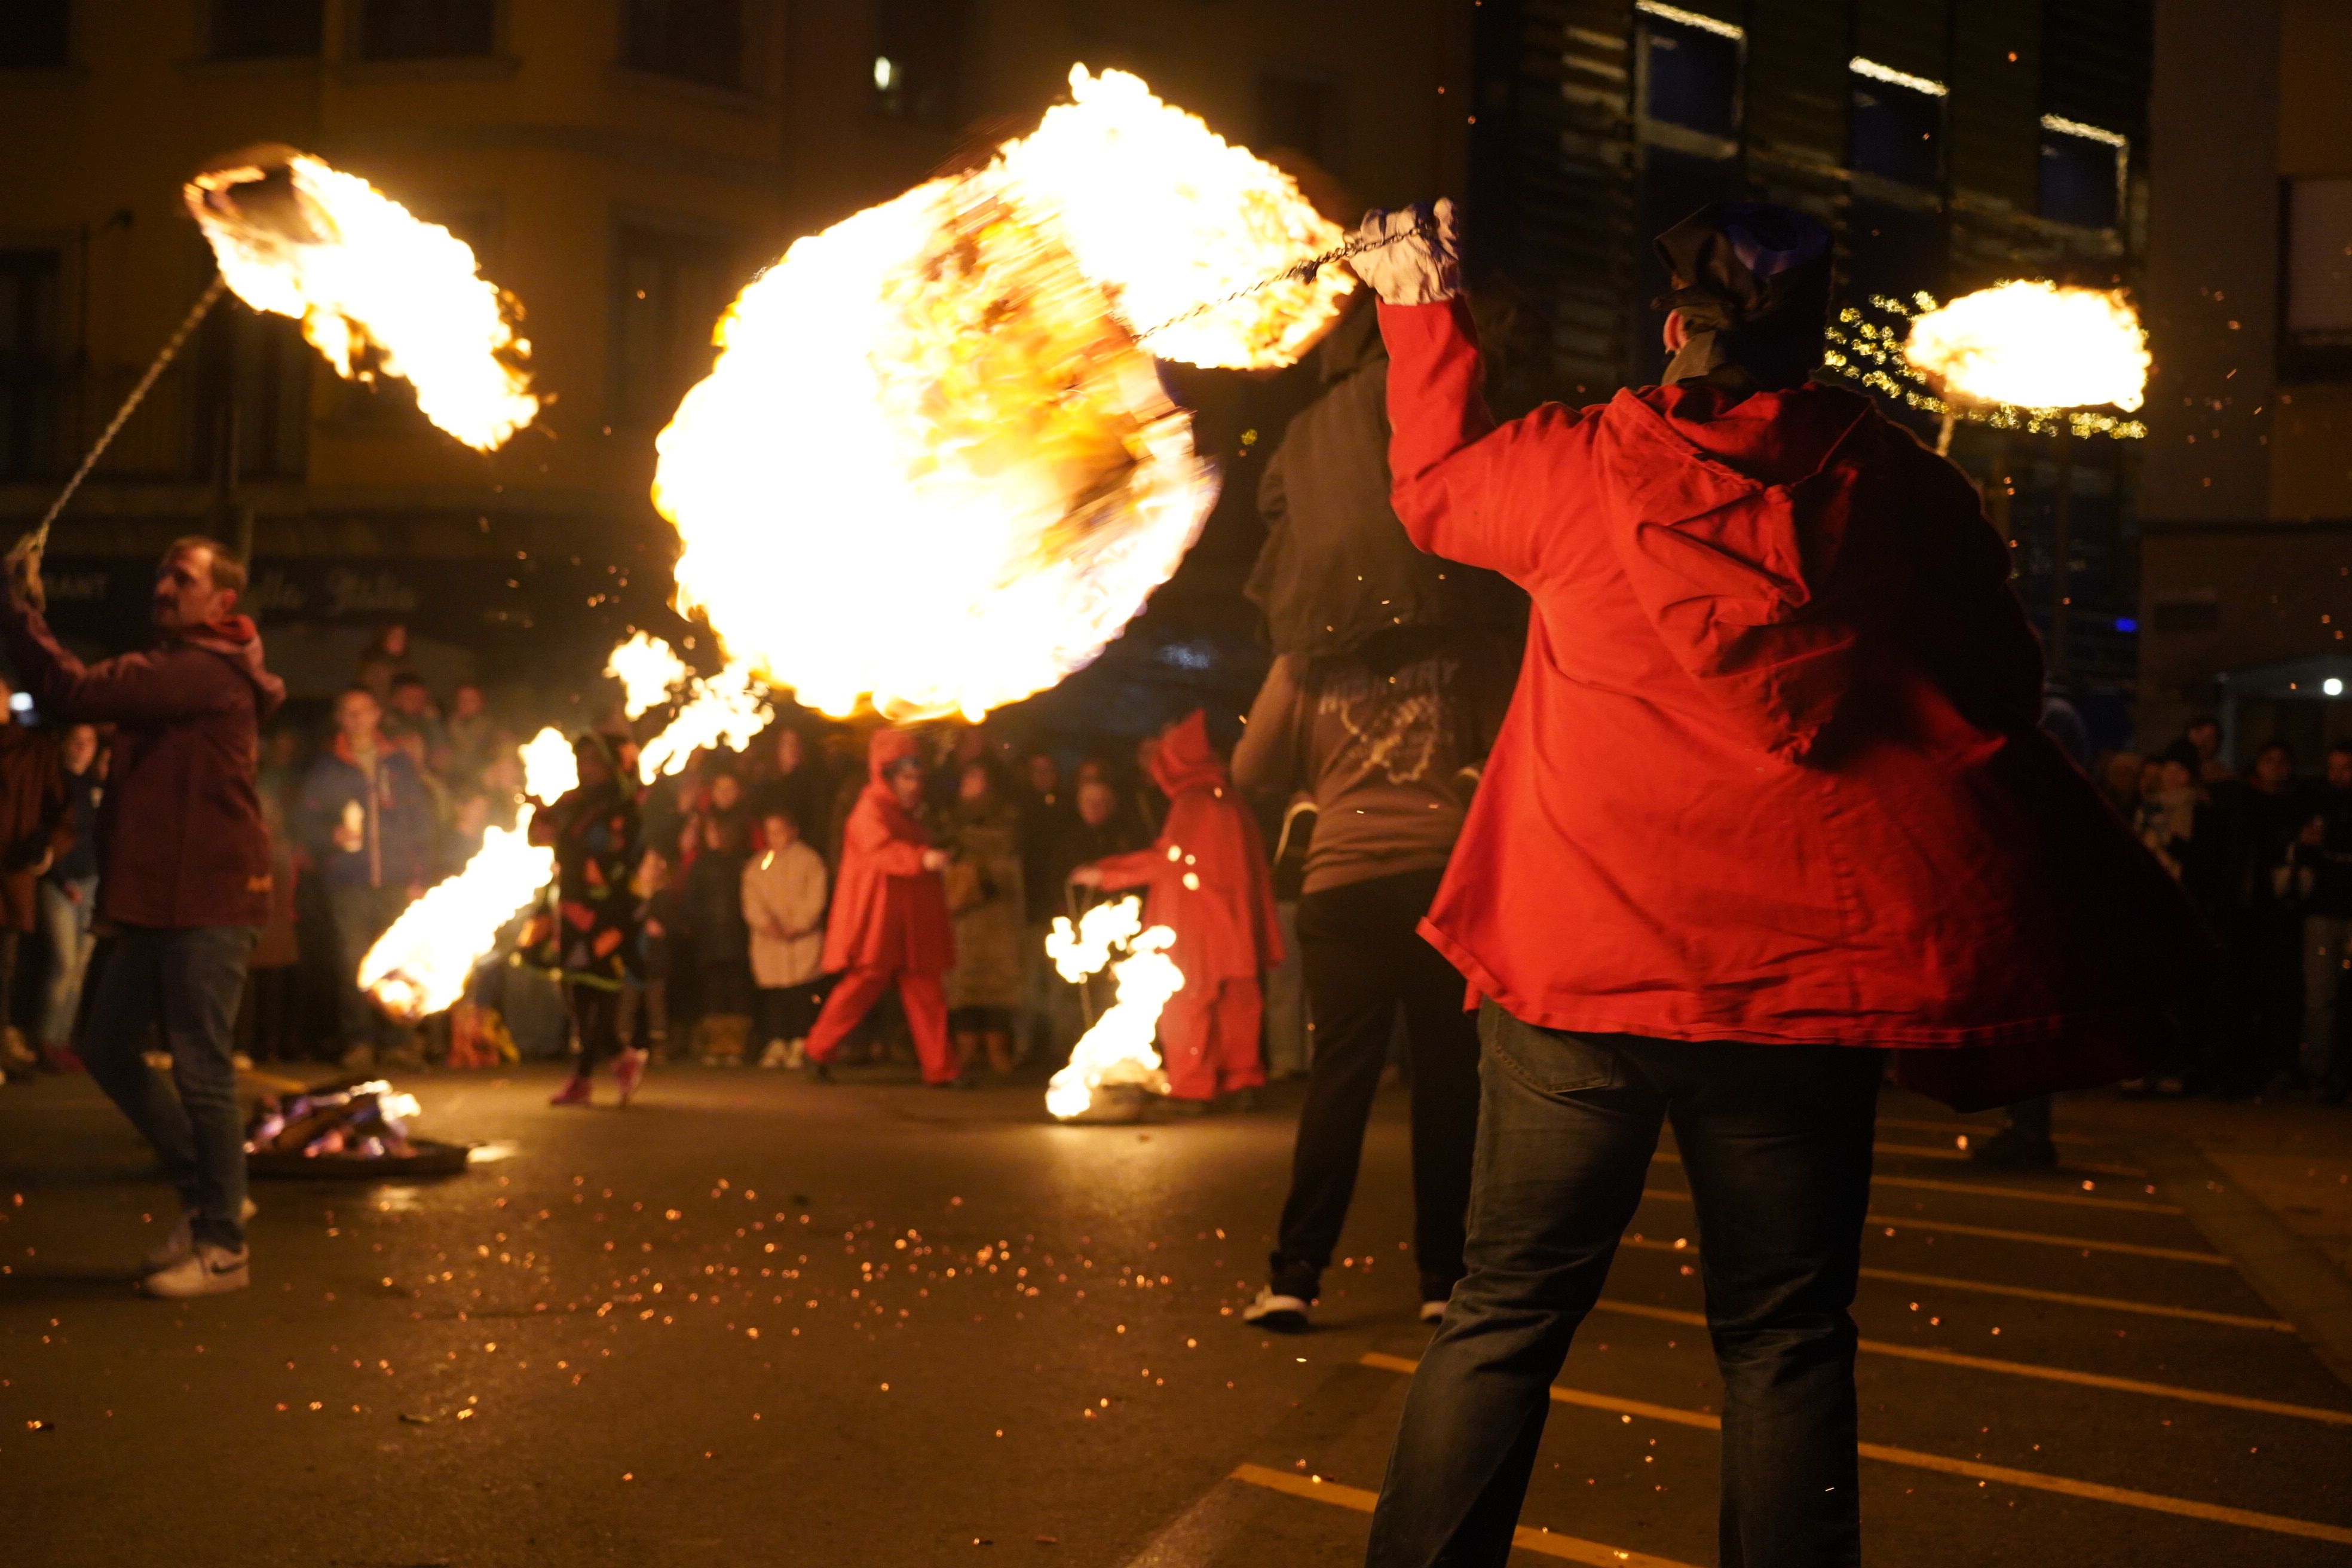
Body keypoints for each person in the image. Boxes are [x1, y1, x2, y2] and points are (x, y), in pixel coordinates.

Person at [1344, 200, 2206, 1566]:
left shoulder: (1580, 468)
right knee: (1785, 1339)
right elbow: (2002, 687)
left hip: (1579, 975)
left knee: (1504, 1314)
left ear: (1672, 325)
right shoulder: (1901, 488)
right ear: (1810, 339)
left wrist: (1419, 308)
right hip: (1793, 989)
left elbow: (1431, 491)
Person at [0, 535, 286, 1297]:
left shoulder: (201, 668)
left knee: (201, 1064)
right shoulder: (183, 667)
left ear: (222, 604)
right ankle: (209, 1195)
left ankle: (225, 1244)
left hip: (208, 896)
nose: (164, 585)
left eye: (182, 578)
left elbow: (79, 693)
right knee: (105, 1043)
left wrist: (19, 613)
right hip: (163, 897)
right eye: (162, 571)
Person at [1230, 625, 1511, 1329]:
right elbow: (1511, 745)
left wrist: (1291, 662)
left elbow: (1251, 769)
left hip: (1342, 882)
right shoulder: (1462, 644)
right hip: (1439, 880)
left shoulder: (1310, 656)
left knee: (1340, 1080)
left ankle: (1296, 1274)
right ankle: (1444, 1279)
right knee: (1447, 1083)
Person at [1073, 711, 1283, 1113]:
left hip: (1196, 926)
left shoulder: (1192, 804)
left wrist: (1105, 872)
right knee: (1237, 1004)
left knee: (1189, 1003)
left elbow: (1167, 861)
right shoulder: (1232, 802)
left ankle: (1193, 1086)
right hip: (1234, 924)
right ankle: (1242, 1079)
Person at [803, 729, 959, 1086]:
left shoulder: (908, 813)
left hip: (907, 918)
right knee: (862, 986)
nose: (914, 786)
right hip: (880, 916)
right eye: (907, 778)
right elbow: (881, 852)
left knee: (926, 991)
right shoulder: (869, 810)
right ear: (887, 776)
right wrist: (924, 858)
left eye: (918, 778)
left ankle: (942, 1070)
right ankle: (816, 1050)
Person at [298, 687, 433, 1070]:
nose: (356, 719)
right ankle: (358, 1040)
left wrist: (417, 875)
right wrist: (330, 836)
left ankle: (396, 1041)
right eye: (349, 713)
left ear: (376, 715)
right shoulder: (327, 766)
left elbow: (419, 822)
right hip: (349, 881)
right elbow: (304, 821)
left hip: (394, 878)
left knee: (399, 960)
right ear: (341, 718)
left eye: (363, 711)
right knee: (353, 961)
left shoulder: (398, 764)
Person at [528, 733, 647, 1105]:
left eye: (595, 761)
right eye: (582, 761)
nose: (586, 768)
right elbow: (538, 838)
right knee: (577, 995)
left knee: (603, 993)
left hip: (611, 910)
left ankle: (581, 1078)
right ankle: (620, 1058)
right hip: (572, 909)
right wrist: (540, 811)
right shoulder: (570, 800)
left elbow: (620, 856)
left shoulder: (624, 807)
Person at [0, 676, 70, 1078]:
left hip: (11, 875)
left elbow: (62, 810)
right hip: (12, 876)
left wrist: (47, 849)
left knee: (6, 965)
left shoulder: (33, 751)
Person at [941, 758, 1027, 1074]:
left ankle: (996, 1049)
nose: (971, 782)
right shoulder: (948, 821)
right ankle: (966, 1048)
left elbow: (1008, 851)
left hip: (997, 913)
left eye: (978, 776)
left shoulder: (1006, 817)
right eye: (967, 776)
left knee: (997, 982)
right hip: (962, 915)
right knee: (963, 980)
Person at [36, 721, 101, 1072]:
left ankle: (62, 1040)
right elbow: (45, 834)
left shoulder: (95, 786)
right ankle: (46, 1039)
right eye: (75, 740)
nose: (81, 747)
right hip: (61, 882)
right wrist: (60, 879)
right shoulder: (54, 781)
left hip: (91, 882)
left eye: (88, 742)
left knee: (79, 966)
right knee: (62, 961)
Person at [743, 808, 828, 1068]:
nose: (775, 838)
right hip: (770, 943)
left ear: (792, 831)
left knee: (801, 992)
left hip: (802, 941)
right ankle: (777, 1040)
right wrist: (767, 925)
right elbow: (751, 900)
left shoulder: (809, 861)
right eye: (770, 832)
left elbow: (816, 896)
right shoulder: (758, 866)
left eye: (780, 831)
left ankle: (801, 1040)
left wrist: (798, 925)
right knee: (776, 994)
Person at [681, 773, 756, 1063]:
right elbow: (692, 897)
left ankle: (736, 1043)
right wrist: (693, 924)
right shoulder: (700, 864)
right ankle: (715, 1044)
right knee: (712, 989)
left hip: (737, 932)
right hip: (710, 936)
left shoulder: (744, 860)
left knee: (737, 987)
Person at [2301, 742, 2352, 1098]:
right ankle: (2317, 1072)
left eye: (2346, 768)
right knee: (2320, 997)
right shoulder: (2316, 802)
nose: (2338, 775)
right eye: (2333, 767)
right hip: (2323, 910)